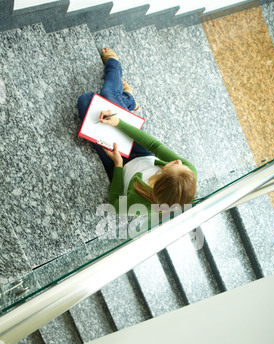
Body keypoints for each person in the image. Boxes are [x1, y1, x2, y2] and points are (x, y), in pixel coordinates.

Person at [77, 48, 197, 225]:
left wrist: (118, 165)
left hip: (117, 164)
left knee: (86, 101)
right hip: (141, 153)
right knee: (107, 98)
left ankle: (128, 100)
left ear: (162, 179)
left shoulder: (144, 203)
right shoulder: (187, 174)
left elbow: (114, 203)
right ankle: (114, 65)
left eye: (172, 165)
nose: (178, 161)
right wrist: (119, 123)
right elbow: (155, 147)